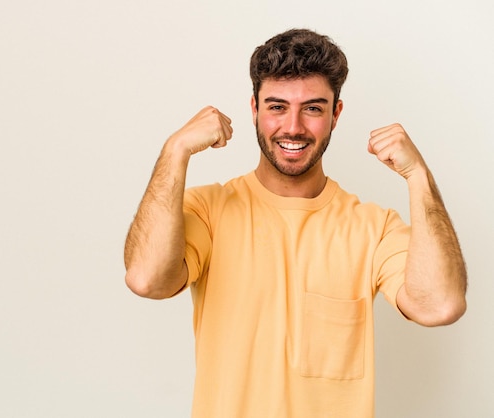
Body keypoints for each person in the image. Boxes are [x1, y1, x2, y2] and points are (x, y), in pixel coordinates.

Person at [123, 28, 467, 417]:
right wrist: (175, 151)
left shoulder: (374, 228)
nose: (293, 127)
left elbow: (441, 305)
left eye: (313, 108)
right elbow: (146, 279)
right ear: (254, 109)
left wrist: (419, 177)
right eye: (277, 107)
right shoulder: (207, 210)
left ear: (336, 114)